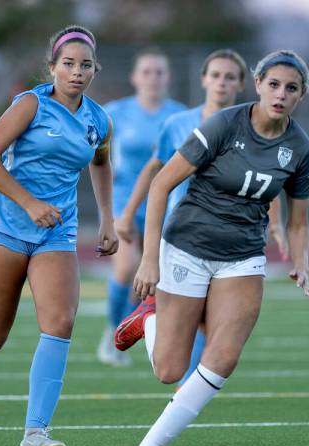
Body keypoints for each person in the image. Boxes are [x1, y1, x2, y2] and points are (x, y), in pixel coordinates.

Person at [115, 50, 309, 446]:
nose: (281, 94)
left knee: (224, 356)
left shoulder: (299, 147)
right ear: (259, 84)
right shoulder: (225, 124)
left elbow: (298, 221)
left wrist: (300, 262)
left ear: (301, 95)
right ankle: (150, 318)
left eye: (292, 88)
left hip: (243, 257)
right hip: (187, 246)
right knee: (169, 370)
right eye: (275, 84)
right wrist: (149, 260)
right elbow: (160, 184)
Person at [0, 25, 118, 446]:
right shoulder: (31, 104)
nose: (76, 72)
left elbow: (102, 163)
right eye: (68, 64)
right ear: (51, 67)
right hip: (2, 229)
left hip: (57, 233)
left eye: (85, 65)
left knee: (60, 321)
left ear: (94, 70)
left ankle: (35, 434)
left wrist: (108, 219)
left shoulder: (98, 119)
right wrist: (30, 202)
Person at [116, 49, 290, 387]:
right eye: (215, 75)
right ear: (204, 80)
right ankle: (177, 377)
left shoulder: (257, 127)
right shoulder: (179, 123)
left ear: (242, 85)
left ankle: (179, 381)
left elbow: (268, 181)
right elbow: (156, 172)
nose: (221, 82)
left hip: (232, 237)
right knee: (192, 325)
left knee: (215, 325)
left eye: (229, 77)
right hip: (185, 234)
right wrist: (126, 215)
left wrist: (278, 223)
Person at [98, 48, 186, 367]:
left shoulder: (180, 117)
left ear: (168, 77)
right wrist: (109, 213)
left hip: (163, 207)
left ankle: (124, 330)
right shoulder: (114, 113)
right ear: (134, 77)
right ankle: (112, 332)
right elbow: (97, 159)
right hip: (123, 204)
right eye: (146, 71)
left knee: (147, 276)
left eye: (159, 72)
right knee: (126, 267)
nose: (153, 78)